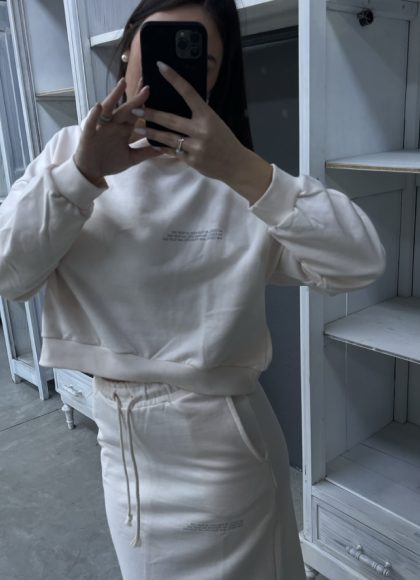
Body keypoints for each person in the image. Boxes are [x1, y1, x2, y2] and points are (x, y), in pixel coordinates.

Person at [0, 1, 385, 579]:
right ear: (127, 49)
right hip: (125, 448)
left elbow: (360, 262)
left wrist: (245, 171)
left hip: (224, 447)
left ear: (217, 77)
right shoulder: (68, 155)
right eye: (155, 48)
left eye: (197, 62)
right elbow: (9, 275)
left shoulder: (237, 175)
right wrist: (83, 174)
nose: (168, 72)